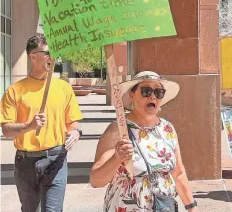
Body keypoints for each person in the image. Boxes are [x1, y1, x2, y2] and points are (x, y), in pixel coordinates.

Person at [90, 71, 198, 212]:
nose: (153, 96)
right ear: (132, 95)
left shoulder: (167, 128)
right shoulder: (117, 130)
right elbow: (96, 180)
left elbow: (178, 173)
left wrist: (191, 207)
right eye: (146, 91)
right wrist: (117, 158)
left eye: (158, 92)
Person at [0, 34, 83, 212]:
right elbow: (6, 130)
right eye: (47, 53)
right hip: (25, 163)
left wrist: (75, 132)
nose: (52, 57)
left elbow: (74, 121)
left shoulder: (63, 88)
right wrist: (28, 126)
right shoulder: (15, 91)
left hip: (56, 158)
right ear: (32, 56)